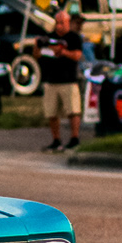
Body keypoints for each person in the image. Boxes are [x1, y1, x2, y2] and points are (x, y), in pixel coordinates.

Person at [38, 8, 85, 151]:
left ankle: (74, 138)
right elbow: (39, 54)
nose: (59, 25)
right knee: (51, 112)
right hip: (51, 79)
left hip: (68, 80)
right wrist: (38, 46)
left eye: (62, 22)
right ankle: (56, 140)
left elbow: (77, 56)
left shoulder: (73, 38)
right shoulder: (49, 37)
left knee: (73, 110)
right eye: (57, 22)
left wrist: (63, 52)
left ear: (68, 23)